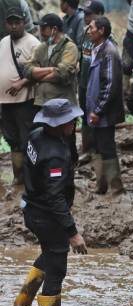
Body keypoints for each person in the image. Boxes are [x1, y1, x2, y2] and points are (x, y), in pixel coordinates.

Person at [13, 99, 88, 306]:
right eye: (70, 120)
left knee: (49, 253)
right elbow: (55, 198)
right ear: (58, 123)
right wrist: (73, 233)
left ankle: (22, 303)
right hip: (46, 215)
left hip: (31, 207)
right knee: (57, 265)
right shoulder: (55, 156)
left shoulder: (36, 136)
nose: (74, 122)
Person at [0, 6, 40, 185]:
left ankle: (32, 179)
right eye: (11, 23)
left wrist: (23, 82)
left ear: (24, 22)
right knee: (12, 139)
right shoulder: (3, 42)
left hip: (25, 101)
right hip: (5, 101)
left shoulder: (33, 43)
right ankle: (18, 178)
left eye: (17, 23)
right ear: (6, 24)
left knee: (27, 139)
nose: (14, 26)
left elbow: (40, 71)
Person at [85, 16, 124, 195]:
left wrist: (98, 110)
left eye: (91, 27)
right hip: (95, 111)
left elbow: (110, 85)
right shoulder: (96, 49)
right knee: (98, 147)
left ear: (101, 31)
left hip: (104, 112)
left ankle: (116, 188)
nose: (88, 30)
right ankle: (101, 185)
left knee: (107, 147)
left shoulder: (109, 51)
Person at [24, 13, 80, 107]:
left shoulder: (69, 47)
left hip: (62, 104)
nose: (40, 32)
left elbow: (62, 73)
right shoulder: (42, 47)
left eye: (44, 28)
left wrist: (38, 78)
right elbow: (27, 69)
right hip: (42, 102)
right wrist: (51, 69)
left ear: (54, 29)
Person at [76, 0, 107, 165]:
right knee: (84, 115)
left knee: (97, 117)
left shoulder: (107, 38)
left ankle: (98, 153)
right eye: (85, 14)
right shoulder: (85, 33)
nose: (86, 17)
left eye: (90, 14)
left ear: (99, 15)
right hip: (83, 83)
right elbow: (81, 54)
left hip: (97, 86)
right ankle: (86, 150)